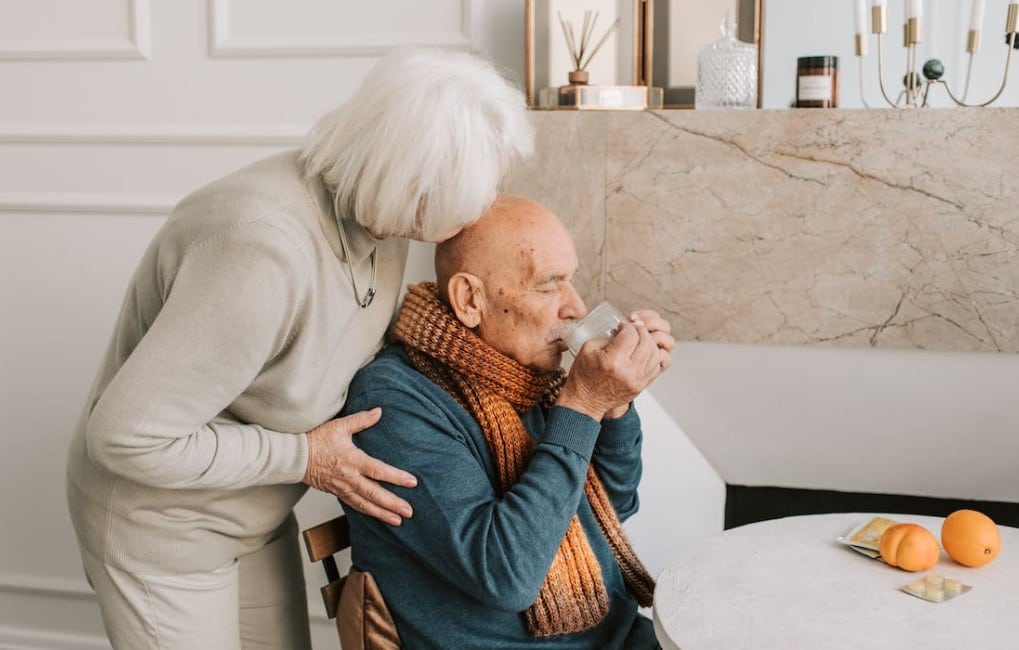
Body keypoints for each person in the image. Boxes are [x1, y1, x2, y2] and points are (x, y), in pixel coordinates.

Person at [64, 47, 533, 649]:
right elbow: (125, 437)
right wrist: (305, 458)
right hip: (163, 527)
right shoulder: (262, 251)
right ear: (415, 181)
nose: (487, 199)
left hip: (252, 512)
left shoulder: (385, 220)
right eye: (480, 182)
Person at [340, 194, 675, 648]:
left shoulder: (523, 375)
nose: (575, 306)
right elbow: (507, 574)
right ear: (469, 299)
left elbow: (611, 508)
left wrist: (615, 406)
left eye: (570, 280)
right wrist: (583, 406)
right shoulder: (394, 404)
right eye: (548, 284)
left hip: (612, 636)